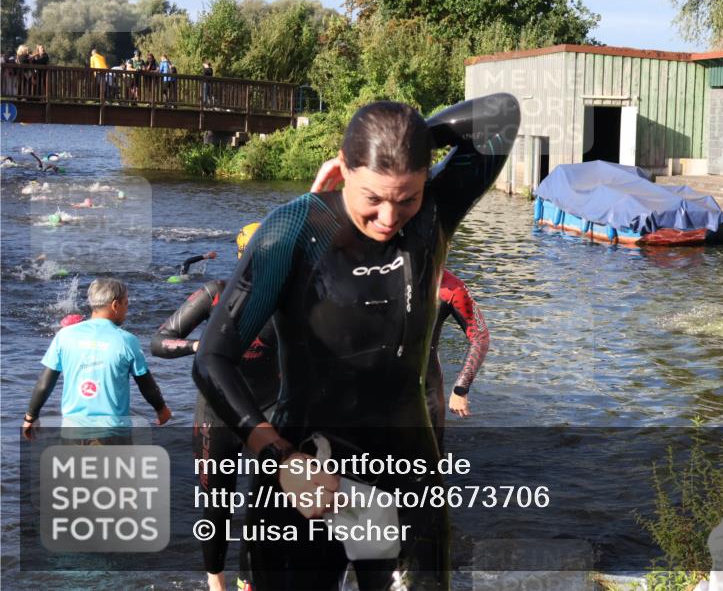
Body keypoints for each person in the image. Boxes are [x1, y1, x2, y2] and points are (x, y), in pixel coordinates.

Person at [193, 93, 518, 590]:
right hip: (306, 464)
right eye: (373, 197)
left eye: (405, 197)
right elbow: (213, 359)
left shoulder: (434, 211)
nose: (390, 218)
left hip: (407, 469)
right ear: (343, 167)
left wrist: (412, 136)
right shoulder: (294, 230)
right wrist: (279, 458)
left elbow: (502, 115)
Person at [151, 223, 277, 591]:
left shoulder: (287, 298)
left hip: (268, 412)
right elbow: (160, 341)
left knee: (266, 506)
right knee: (217, 506)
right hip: (216, 414)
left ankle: (249, 581)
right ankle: (215, 581)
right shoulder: (214, 294)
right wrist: (199, 347)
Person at [22, 278, 172, 443]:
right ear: (115, 305)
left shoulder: (64, 336)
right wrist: (161, 409)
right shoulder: (127, 341)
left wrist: (31, 416)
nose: (127, 310)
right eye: (126, 303)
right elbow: (146, 385)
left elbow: (45, 383)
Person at [426, 270, 489, 449]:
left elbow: (480, 336)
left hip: (426, 390)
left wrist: (461, 388)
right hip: (378, 390)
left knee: (429, 462)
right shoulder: (379, 275)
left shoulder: (450, 286)